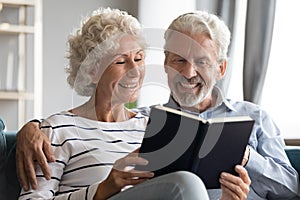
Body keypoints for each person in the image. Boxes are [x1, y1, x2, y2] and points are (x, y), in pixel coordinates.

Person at [16, 8, 251, 200]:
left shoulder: (154, 125)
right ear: (93, 70)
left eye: (139, 58)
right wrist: (102, 189)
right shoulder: (57, 130)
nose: (135, 70)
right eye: (121, 61)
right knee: (186, 181)